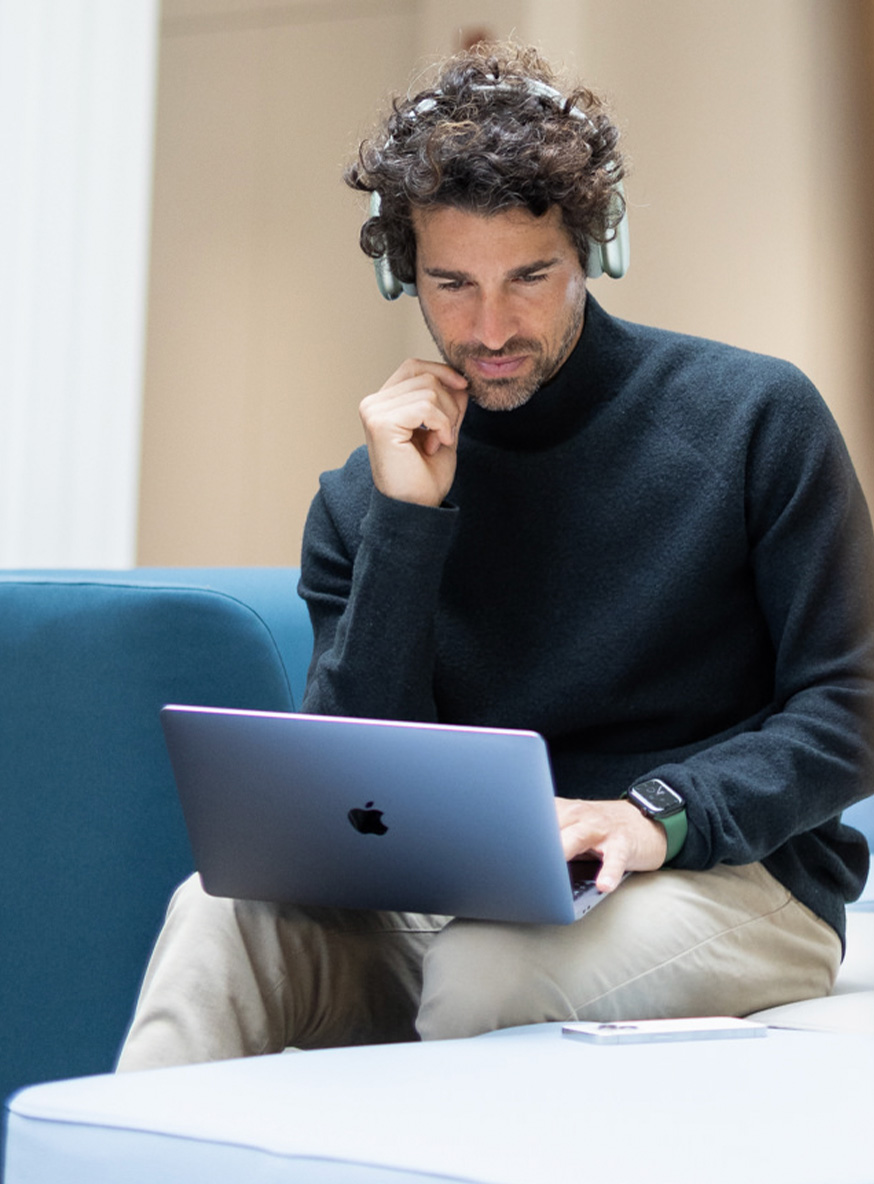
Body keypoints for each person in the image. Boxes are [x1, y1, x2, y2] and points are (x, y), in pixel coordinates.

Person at [117, 42, 874, 1071]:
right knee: (213, 916)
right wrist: (406, 522)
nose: (489, 327)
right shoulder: (367, 495)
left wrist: (656, 815)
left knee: (485, 972)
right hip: (461, 896)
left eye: (530, 276)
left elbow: (849, 701)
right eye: (450, 282)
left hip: (728, 872)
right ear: (400, 272)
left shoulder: (752, 417)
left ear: (594, 254)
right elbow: (352, 774)